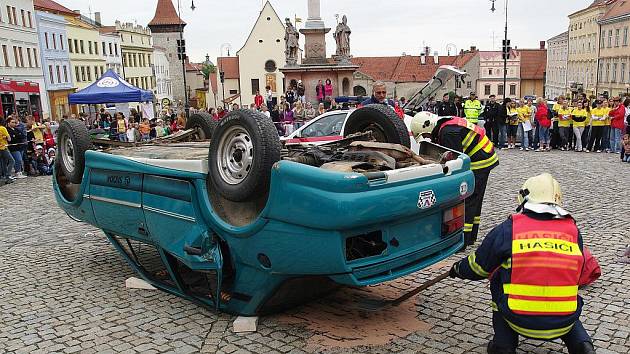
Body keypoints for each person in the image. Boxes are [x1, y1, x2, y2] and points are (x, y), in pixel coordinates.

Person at [449, 173, 595, 354]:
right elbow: (578, 272)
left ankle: (503, 345)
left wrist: (457, 269)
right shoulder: (573, 231)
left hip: (517, 318)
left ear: (523, 197)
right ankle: (582, 344)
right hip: (565, 320)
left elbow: (479, 267)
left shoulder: (509, 229)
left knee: (498, 277)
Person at [411, 112, 498, 249]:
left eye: (426, 135)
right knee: (476, 200)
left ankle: (463, 240)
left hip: (479, 162)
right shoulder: (446, 124)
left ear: (427, 126)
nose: (428, 138)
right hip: (485, 156)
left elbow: (456, 160)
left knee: (468, 199)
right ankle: (471, 237)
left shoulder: (447, 133)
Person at [0, 117, 15, 185]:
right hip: (3, 147)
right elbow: (9, 139)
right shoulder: (2, 128)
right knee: (12, 161)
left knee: (4, 163)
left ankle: (5, 176)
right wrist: (5, 137)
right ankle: (8, 175)